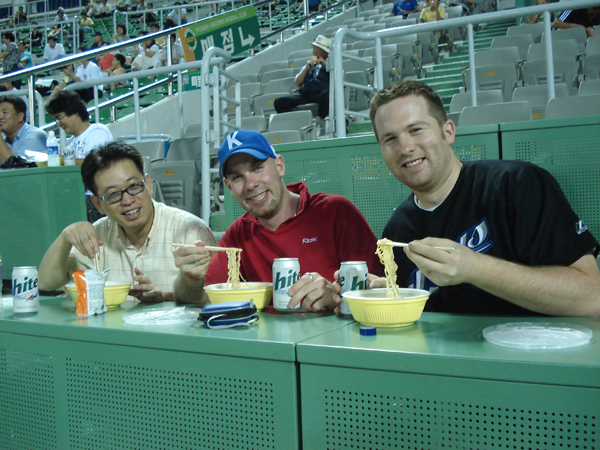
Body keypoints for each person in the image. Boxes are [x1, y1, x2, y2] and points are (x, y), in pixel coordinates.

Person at [368, 80, 600, 317]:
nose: (405, 147)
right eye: (390, 139)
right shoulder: (397, 229)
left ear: (448, 132)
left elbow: (592, 297)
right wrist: (384, 295)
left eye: (416, 130)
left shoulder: (516, 185)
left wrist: (474, 268)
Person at [172, 130, 383, 311]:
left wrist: (336, 298)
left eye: (257, 168)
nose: (251, 184)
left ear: (279, 166)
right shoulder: (237, 236)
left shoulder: (336, 212)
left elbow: (382, 290)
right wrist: (190, 277)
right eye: (237, 177)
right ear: (229, 188)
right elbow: (199, 300)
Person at [38, 142, 217, 304]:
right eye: (113, 194)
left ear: (148, 184)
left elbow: (211, 301)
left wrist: (163, 298)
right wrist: (65, 237)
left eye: (134, 186)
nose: (127, 200)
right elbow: (46, 283)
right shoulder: (95, 237)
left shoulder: (190, 230)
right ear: (98, 204)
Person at [47, 90, 114, 222]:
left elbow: (94, 163)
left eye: (59, 117)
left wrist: (59, 160)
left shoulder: (97, 131)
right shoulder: (69, 142)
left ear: (75, 111)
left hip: (97, 197)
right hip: (77, 195)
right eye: (55, 120)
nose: (58, 124)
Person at [274, 35, 331, 129]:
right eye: (315, 49)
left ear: (325, 53)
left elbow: (338, 77)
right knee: (279, 102)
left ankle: (318, 122)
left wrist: (326, 65)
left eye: (319, 50)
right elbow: (297, 83)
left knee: (327, 96)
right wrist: (306, 69)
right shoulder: (308, 65)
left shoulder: (331, 64)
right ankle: (297, 121)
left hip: (321, 93)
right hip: (306, 93)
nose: (316, 52)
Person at [0, 96, 47, 163]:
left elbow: (20, 168)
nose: (0, 117)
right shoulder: (5, 140)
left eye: (5, 112)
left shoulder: (34, 136)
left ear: (20, 116)